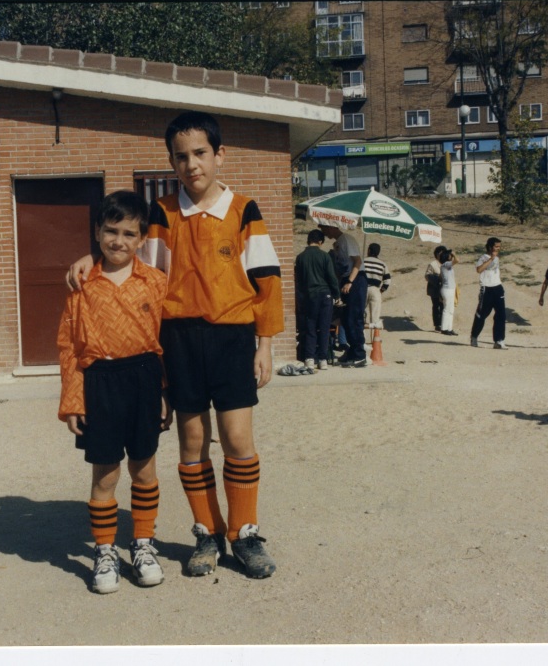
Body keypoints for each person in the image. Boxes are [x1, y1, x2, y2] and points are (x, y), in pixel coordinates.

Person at [67, 111, 282, 579]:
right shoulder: (162, 213)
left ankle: (244, 534)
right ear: (171, 161)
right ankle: (206, 532)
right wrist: (89, 255)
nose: (192, 165)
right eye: (180, 157)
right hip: (179, 339)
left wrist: (264, 346)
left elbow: (266, 281)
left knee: (237, 437)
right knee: (191, 439)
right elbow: (127, 254)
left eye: (201, 153)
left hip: (232, 336)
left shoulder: (244, 209)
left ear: (219, 155)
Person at [57, 191, 173, 594]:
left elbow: (165, 343)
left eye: (128, 233)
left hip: (144, 378)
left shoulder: (156, 283)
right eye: (111, 231)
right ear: (97, 232)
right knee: (105, 473)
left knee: (144, 468)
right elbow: (68, 345)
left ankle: (142, 544)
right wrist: (73, 399)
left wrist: (165, 392)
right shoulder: (82, 284)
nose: (118, 241)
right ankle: (105, 551)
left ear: (142, 239)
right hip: (100, 383)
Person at [320, 224, 367, 367]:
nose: (323, 232)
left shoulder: (347, 239)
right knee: (345, 318)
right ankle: (352, 350)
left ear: (331, 227)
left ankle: (359, 354)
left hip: (356, 279)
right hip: (345, 280)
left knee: (354, 317)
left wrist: (350, 282)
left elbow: (357, 261)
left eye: (324, 228)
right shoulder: (337, 243)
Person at [295, 229, 340, 371]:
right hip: (325, 294)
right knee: (325, 327)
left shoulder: (300, 257)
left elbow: (299, 280)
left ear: (308, 240)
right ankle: (322, 359)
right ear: (320, 242)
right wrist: (336, 294)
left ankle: (309, 358)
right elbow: (331, 278)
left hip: (309, 296)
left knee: (310, 326)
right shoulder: (325, 256)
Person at [470, 237, 508, 349]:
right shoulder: (483, 257)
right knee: (482, 314)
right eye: (496, 246)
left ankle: (499, 340)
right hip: (486, 288)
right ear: (490, 246)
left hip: (498, 288)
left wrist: (494, 258)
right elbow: (479, 270)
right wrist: (491, 259)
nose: (498, 248)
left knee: (501, 315)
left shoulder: (497, 258)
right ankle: (474, 336)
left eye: (499, 246)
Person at [362, 242, 391, 330]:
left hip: (362, 288)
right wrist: (381, 290)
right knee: (375, 317)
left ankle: (361, 339)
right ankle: (374, 338)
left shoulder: (362, 261)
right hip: (375, 289)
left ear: (369, 250)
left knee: (360, 314)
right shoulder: (382, 264)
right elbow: (387, 280)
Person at [438, 247, 459, 336]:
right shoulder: (446, 264)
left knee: (451, 309)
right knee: (447, 309)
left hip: (449, 289)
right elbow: (457, 260)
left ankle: (449, 328)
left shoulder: (445, 265)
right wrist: (454, 254)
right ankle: (444, 328)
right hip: (448, 290)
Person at [425, 245, 446, 332]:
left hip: (444, 287)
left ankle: (443, 323)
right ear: (437, 254)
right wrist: (437, 279)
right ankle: (437, 324)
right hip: (435, 288)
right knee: (436, 305)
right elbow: (427, 276)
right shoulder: (433, 264)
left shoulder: (446, 263)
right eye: (441, 253)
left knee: (443, 306)